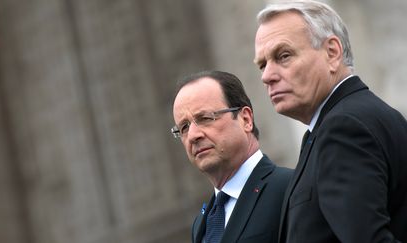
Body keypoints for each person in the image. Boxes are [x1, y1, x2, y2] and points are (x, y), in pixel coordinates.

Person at [253, 1, 407, 243]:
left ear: (332, 52)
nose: (267, 76)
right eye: (262, 64)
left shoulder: (344, 128)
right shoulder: (353, 118)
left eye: (283, 56)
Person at [171, 70, 293, 243]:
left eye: (205, 118)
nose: (192, 135)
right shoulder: (201, 223)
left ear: (245, 119)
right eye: (184, 128)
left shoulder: (290, 188)